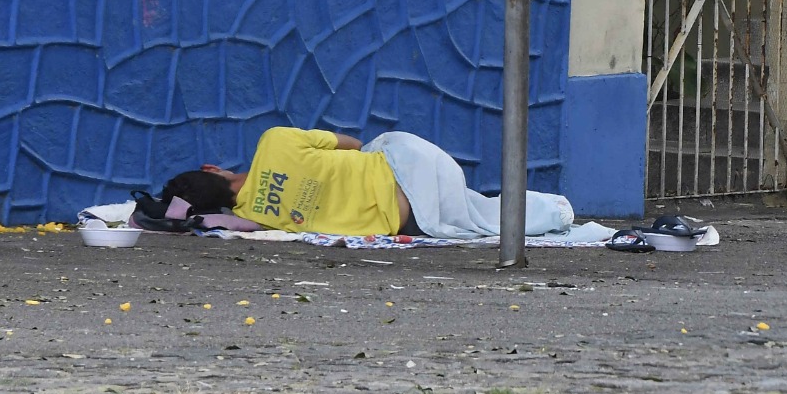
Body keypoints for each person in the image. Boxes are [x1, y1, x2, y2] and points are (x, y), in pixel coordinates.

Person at [159, 127, 573, 238]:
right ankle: (556, 209)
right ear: (212, 169)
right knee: (373, 146)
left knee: (482, 217)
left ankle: (553, 213)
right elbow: (353, 145)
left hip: (409, 219)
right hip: (418, 164)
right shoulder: (274, 142)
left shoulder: (256, 220)